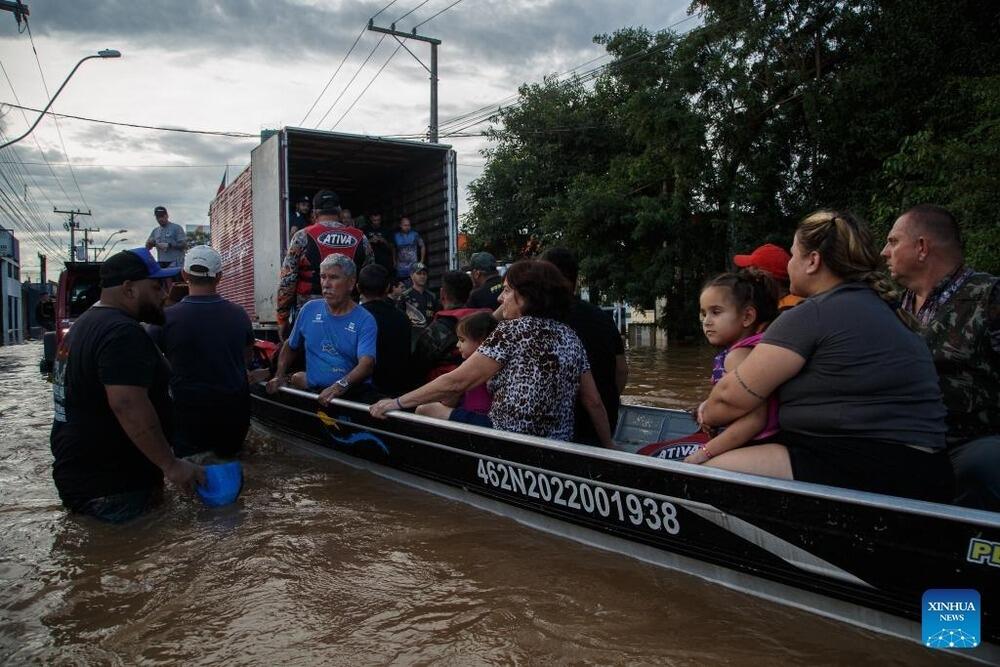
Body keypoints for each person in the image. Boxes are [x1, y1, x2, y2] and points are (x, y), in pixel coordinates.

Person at [699, 210, 953, 503]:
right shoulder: (889, 309)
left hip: (868, 466)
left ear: (813, 261)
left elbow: (730, 399)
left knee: (705, 473)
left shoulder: (814, 313)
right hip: (927, 469)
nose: (789, 263)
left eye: (794, 255)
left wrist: (706, 412)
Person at [370, 259, 614, 447]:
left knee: (426, 409)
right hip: (558, 442)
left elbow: (456, 382)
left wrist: (397, 402)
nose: (500, 297)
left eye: (507, 291)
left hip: (507, 437)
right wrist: (609, 447)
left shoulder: (511, 331)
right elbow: (593, 401)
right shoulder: (570, 336)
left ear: (526, 296)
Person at [50, 248, 204, 522]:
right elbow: (126, 403)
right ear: (129, 289)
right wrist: (171, 465)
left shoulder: (85, 325)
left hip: (87, 479)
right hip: (115, 487)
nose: (164, 296)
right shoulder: (122, 333)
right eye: (156, 287)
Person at [881, 204, 1000, 510]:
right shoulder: (890, 308)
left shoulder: (989, 297)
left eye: (893, 242)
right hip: (896, 442)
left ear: (922, 248)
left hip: (969, 446)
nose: (884, 252)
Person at [148, 246, 255, 458]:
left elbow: (148, 364)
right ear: (219, 277)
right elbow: (246, 359)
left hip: (187, 415)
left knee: (193, 477)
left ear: (185, 274)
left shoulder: (165, 319)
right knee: (232, 468)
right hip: (233, 414)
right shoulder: (239, 315)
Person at [683, 270, 780, 463]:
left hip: (751, 444)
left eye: (716, 312)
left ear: (747, 317)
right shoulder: (754, 348)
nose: (706, 321)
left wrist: (705, 452)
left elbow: (755, 420)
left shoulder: (738, 356)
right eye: (703, 313)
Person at [540, 247, 628, 445]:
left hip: (563, 428)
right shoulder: (602, 317)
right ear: (576, 279)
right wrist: (609, 401)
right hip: (604, 421)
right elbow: (622, 370)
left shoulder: (543, 320)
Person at [267, 254, 377, 406]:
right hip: (314, 395)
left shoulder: (365, 319)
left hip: (349, 397)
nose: (326, 284)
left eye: (333, 277)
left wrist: (339, 386)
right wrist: (279, 375)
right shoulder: (309, 309)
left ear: (351, 283)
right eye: (323, 277)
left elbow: (367, 364)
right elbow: (290, 346)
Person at [276, 189, 373, 340]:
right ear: (340, 212)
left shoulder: (302, 236)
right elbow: (370, 280)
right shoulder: (361, 238)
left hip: (311, 317)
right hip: (349, 318)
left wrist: (282, 318)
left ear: (314, 213)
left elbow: (287, 281)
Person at [415, 312, 498, 423]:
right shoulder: (494, 363)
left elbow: (449, 398)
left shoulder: (474, 367)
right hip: (474, 415)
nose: (457, 344)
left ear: (481, 342)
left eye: (462, 340)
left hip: (477, 419)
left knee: (423, 409)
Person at [411, 270, 485, 382]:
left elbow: (417, 369)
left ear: (442, 294)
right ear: (469, 295)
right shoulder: (484, 323)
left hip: (441, 392)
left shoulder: (434, 331)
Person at [359, 263, 413, 396]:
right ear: (388, 287)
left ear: (358, 287)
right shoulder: (403, 318)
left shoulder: (355, 318)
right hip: (398, 393)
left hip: (364, 394)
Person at [733, 243, 803, 310]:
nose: (746, 270)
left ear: (760, 277)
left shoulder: (782, 311)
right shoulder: (802, 302)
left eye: (749, 267)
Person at [393, 216, 425, 283]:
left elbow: (422, 246)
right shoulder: (396, 236)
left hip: (413, 265)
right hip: (401, 267)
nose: (407, 227)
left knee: (414, 283)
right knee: (402, 285)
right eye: (405, 225)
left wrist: (422, 261)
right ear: (400, 225)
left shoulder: (415, 235)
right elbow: (393, 249)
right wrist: (394, 261)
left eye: (409, 225)